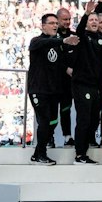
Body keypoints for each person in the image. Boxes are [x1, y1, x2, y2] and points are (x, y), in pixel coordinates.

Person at [64, 0, 102, 164]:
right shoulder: (82, 36)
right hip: (81, 84)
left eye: (97, 19)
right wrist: (87, 14)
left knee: (94, 118)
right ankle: (80, 154)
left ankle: (86, 147)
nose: (95, 22)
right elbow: (80, 30)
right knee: (84, 119)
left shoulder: (101, 39)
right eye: (92, 20)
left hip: (95, 86)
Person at [26, 10, 70, 164]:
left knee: (53, 122)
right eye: (52, 23)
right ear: (43, 26)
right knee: (44, 121)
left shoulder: (58, 44)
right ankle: (40, 154)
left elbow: (61, 63)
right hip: (38, 90)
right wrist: (62, 41)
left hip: (53, 91)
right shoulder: (36, 41)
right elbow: (46, 43)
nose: (55, 26)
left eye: (56, 23)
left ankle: (38, 153)